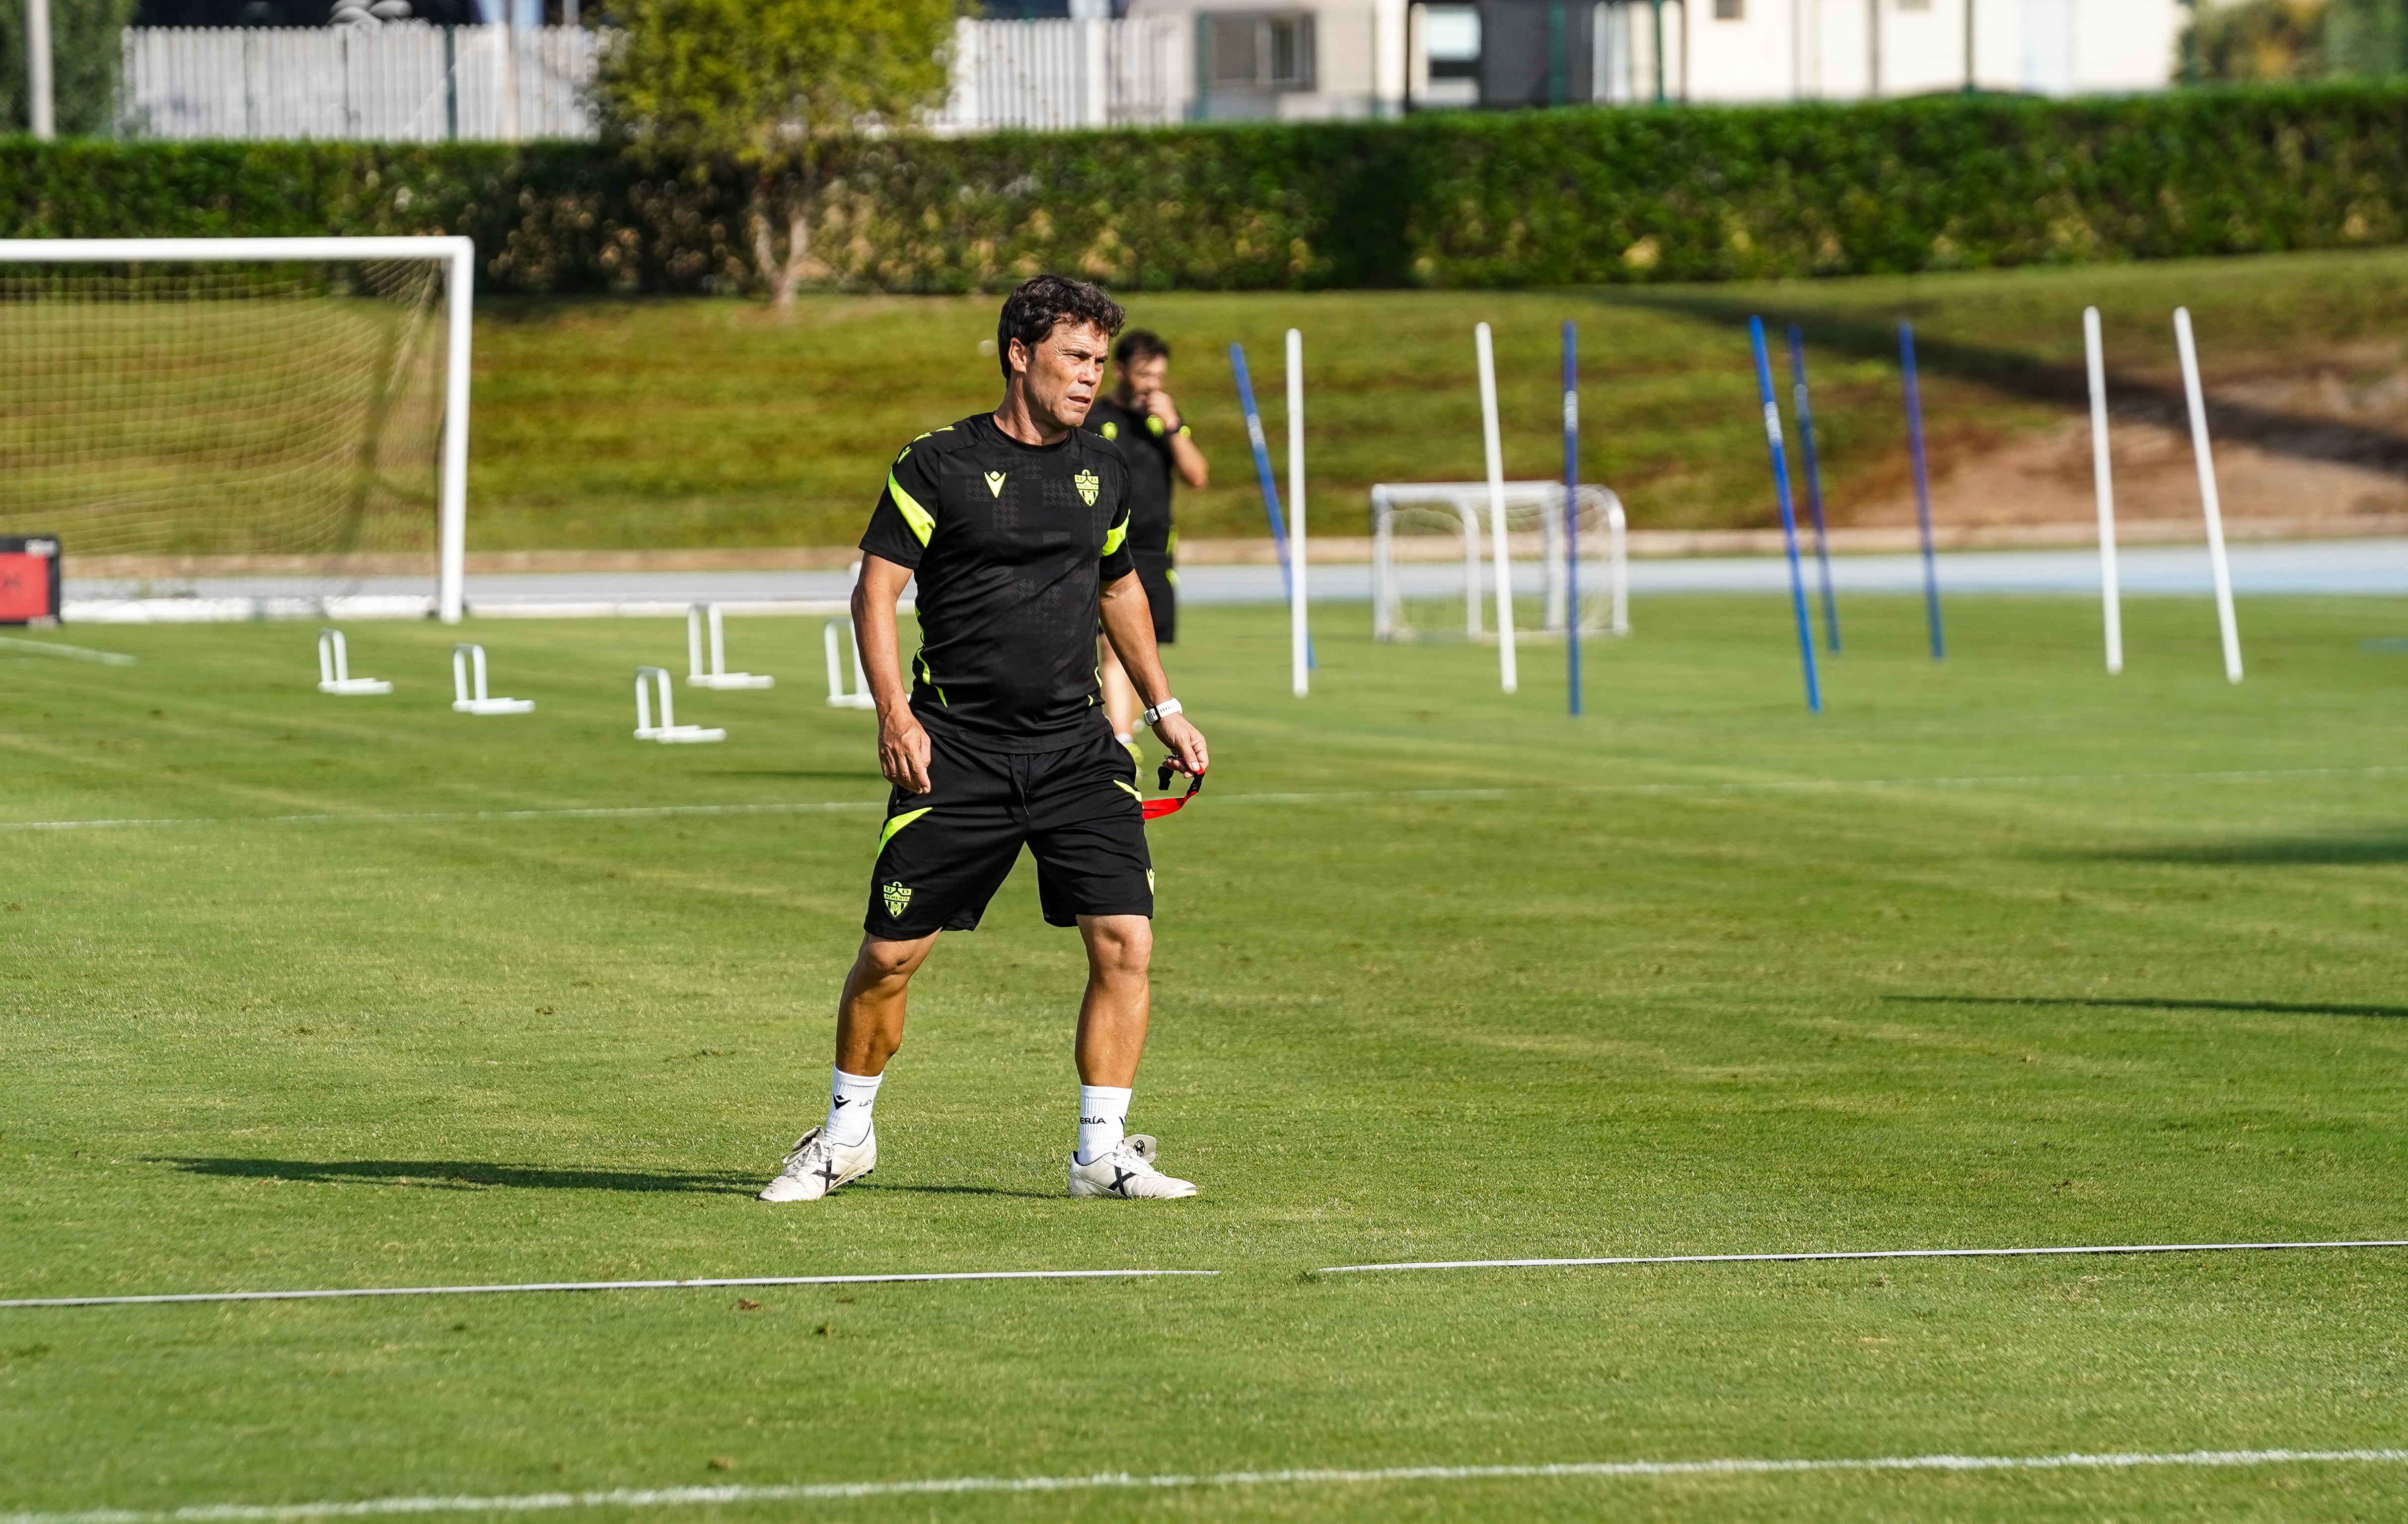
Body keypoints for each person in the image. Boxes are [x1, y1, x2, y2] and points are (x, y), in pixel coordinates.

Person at [758, 275, 1211, 1206]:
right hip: (954, 748)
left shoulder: (1106, 468)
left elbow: (1119, 587)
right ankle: (845, 1134)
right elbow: (874, 591)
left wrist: (1165, 709)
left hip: (1076, 749)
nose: (1090, 377)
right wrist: (894, 713)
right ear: (1019, 354)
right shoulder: (937, 464)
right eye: (1074, 357)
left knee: (1125, 940)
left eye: (1097, 361)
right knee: (890, 956)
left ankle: (1100, 1150)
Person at [1080, 330, 1207, 752]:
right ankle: (1120, 743)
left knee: (1139, 649)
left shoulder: (1163, 423)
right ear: (1120, 372)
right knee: (1110, 647)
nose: (1152, 383)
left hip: (1154, 553)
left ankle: (1123, 734)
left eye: (1159, 375)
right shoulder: (1093, 420)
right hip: (1105, 550)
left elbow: (1197, 476)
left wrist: (1172, 426)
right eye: (1143, 374)